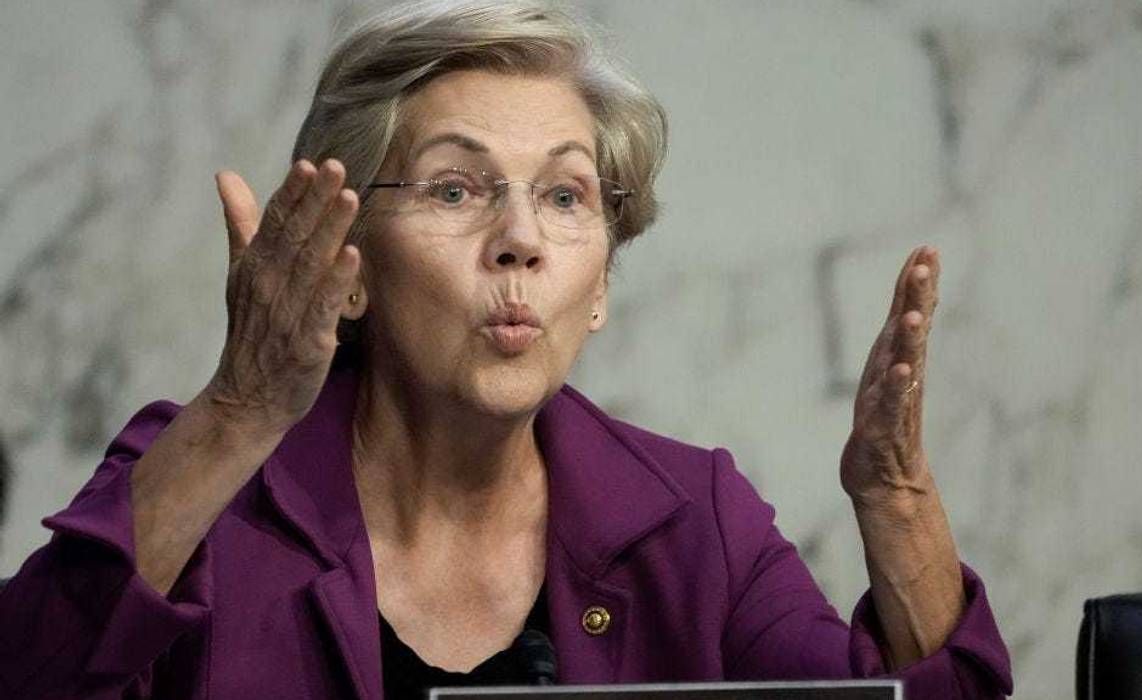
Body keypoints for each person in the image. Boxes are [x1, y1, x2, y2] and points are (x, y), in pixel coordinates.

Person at [0, 2, 1011, 698]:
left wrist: (897, 500)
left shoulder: (692, 523)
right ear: (343, 263)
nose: (521, 239)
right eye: (455, 187)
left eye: (566, 196)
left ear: (603, 280)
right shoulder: (210, 484)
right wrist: (237, 412)